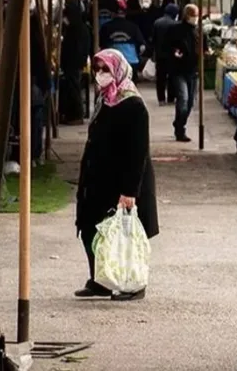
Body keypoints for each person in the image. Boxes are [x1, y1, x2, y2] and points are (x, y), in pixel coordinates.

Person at [75, 49, 159, 301]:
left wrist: (130, 191)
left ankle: (133, 284)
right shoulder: (105, 99)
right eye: (97, 69)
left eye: (105, 70)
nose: (100, 75)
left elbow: (138, 152)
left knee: (124, 234)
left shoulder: (132, 103)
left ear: (118, 71)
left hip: (121, 180)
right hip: (98, 178)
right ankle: (100, 279)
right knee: (92, 228)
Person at [165, 3, 207, 142]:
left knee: (189, 104)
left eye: (197, 15)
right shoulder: (175, 30)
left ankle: (179, 124)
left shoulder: (200, 31)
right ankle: (180, 129)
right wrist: (174, 53)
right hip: (178, 71)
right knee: (183, 99)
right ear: (187, 15)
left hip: (193, 71)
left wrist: (206, 53)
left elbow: (205, 49)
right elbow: (168, 46)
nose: (195, 18)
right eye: (193, 15)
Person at [60, 0, 91, 125]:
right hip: (75, 63)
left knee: (74, 89)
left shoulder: (76, 29)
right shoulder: (81, 28)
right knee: (73, 88)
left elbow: (74, 48)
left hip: (73, 63)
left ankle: (76, 115)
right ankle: (72, 114)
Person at [100, 0, 146, 82]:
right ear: (125, 14)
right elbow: (142, 46)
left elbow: (101, 46)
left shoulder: (106, 27)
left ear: (113, 14)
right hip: (131, 61)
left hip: (113, 61)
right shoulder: (133, 27)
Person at [152, 3, 178, 106]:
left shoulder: (157, 23)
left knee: (160, 78)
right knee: (172, 77)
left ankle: (161, 99)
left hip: (160, 55)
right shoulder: (175, 24)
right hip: (172, 56)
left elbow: (153, 39)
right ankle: (171, 98)